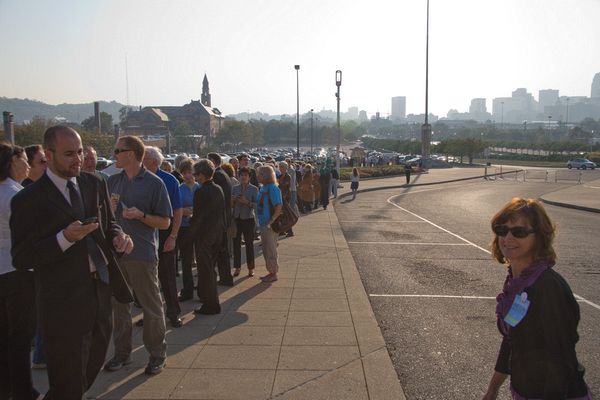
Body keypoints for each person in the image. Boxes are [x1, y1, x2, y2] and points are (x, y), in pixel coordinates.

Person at [10, 126, 134, 400]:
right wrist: (64, 238)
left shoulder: (94, 183)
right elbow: (22, 257)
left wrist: (119, 237)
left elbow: (108, 225)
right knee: (68, 379)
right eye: (69, 154)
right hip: (61, 300)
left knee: (90, 367)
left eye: (79, 151)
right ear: (48, 154)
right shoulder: (27, 199)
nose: (77, 159)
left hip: (100, 290)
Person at [482, 198, 592, 400]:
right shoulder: (518, 283)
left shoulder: (546, 288)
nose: (507, 238)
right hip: (524, 391)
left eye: (519, 232)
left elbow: (559, 359)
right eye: (502, 229)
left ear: (539, 237)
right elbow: (512, 340)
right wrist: (493, 389)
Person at [105, 135, 172, 376]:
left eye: (118, 150)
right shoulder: (113, 182)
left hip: (143, 254)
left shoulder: (155, 184)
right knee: (119, 308)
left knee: (151, 307)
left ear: (131, 154)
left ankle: (157, 355)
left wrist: (141, 216)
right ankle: (122, 354)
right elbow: (106, 218)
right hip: (117, 254)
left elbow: (164, 222)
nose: (114, 155)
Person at [0, 143, 40, 400]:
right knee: (21, 337)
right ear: (13, 161)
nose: (27, 164)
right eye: (24, 159)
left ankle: (6, 386)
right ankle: (23, 390)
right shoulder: (17, 195)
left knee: (4, 335)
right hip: (18, 271)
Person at [143, 147, 183, 328]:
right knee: (147, 279)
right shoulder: (137, 179)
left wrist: (173, 236)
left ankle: (173, 313)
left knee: (167, 277)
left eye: (143, 158)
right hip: (144, 234)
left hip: (165, 233)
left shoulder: (169, 180)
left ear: (153, 161)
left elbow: (178, 210)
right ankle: (151, 314)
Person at [188, 159, 225, 314]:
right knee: (210, 269)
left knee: (206, 270)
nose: (195, 177)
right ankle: (210, 301)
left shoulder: (201, 191)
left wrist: (190, 222)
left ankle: (211, 304)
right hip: (217, 233)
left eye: (196, 174)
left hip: (205, 235)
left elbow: (198, 217)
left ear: (202, 175)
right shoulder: (218, 188)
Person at [207, 153, 233, 286]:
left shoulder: (217, 175)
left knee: (219, 251)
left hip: (219, 219)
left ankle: (222, 277)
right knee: (222, 250)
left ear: (213, 162)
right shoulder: (223, 173)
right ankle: (225, 277)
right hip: (225, 217)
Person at [176, 158, 199, 301]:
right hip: (184, 227)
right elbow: (176, 209)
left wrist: (193, 210)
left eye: (189, 172)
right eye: (184, 173)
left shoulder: (200, 187)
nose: (187, 175)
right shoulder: (179, 189)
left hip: (198, 227)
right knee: (186, 260)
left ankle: (202, 287)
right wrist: (184, 211)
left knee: (202, 258)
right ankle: (187, 289)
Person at [256, 166, 282, 283]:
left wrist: (271, 220)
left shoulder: (272, 188)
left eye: (260, 174)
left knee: (271, 249)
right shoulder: (263, 188)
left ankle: (273, 272)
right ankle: (271, 271)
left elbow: (278, 205)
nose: (258, 176)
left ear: (266, 175)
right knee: (266, 249)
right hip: (263, 222)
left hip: (269, 224)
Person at [232, 167, 258, 277]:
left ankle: (251, 268)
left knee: (249, 244)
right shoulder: (235, 188)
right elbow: (231, 204)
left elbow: (257, 206)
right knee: (236, 244)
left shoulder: (254, 189)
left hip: (248, 219)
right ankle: (237, 267)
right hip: (236, 218)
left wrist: (247, 202)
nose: (243, 177)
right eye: (241, 175)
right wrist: (233, 200)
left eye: (245, 175)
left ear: (249, 177)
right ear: (238, 177)